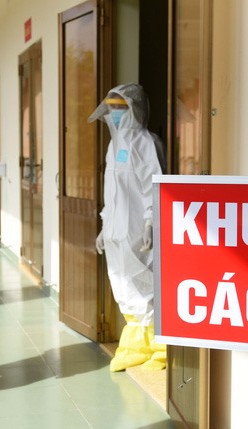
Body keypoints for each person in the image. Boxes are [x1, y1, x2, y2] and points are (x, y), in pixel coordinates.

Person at [88, 83, 167, 372]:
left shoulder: (146, 143)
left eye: (119, 108)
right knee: (122, 285)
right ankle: (136, 346)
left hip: (137, 230)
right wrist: (104, 226)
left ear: (134, 109)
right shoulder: (114, 145)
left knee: (145, 284)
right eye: (110, 108)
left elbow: (152, 185)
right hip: (116, 231)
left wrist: (150, 222)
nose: (114, 114)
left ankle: (160, 348)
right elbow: (112, 192)